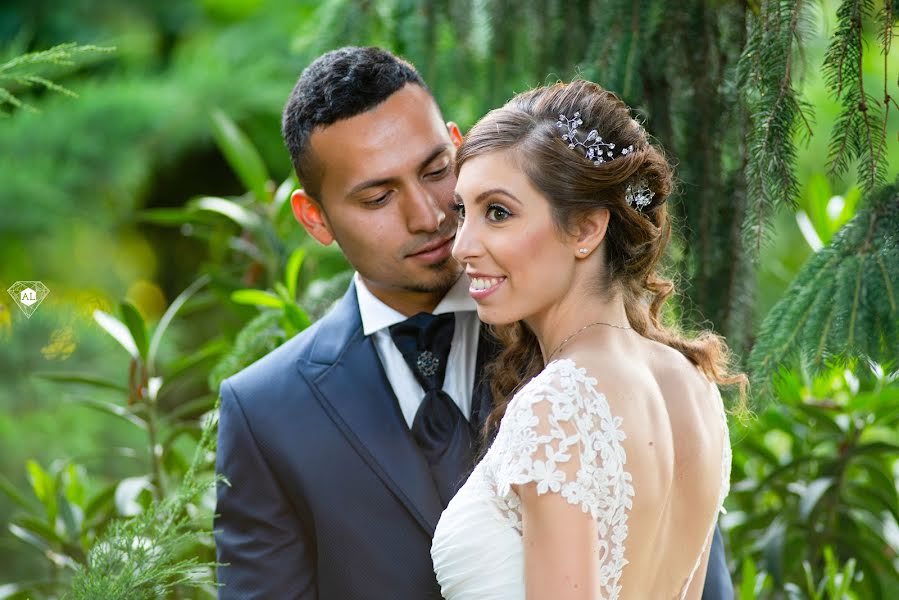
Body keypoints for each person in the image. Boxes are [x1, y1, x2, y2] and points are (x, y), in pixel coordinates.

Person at [214, 46, 733, 599]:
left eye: (437, 171)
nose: (432, 218)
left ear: (460, 148)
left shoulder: (577, 369)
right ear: (315, 219)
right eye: (378, 196)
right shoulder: (265, 413)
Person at [431, 79, 747, 599]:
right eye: (463, 212)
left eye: (498, 213)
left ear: (585, 230)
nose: (462, 246)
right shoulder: (693, 386)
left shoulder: (557, 406)